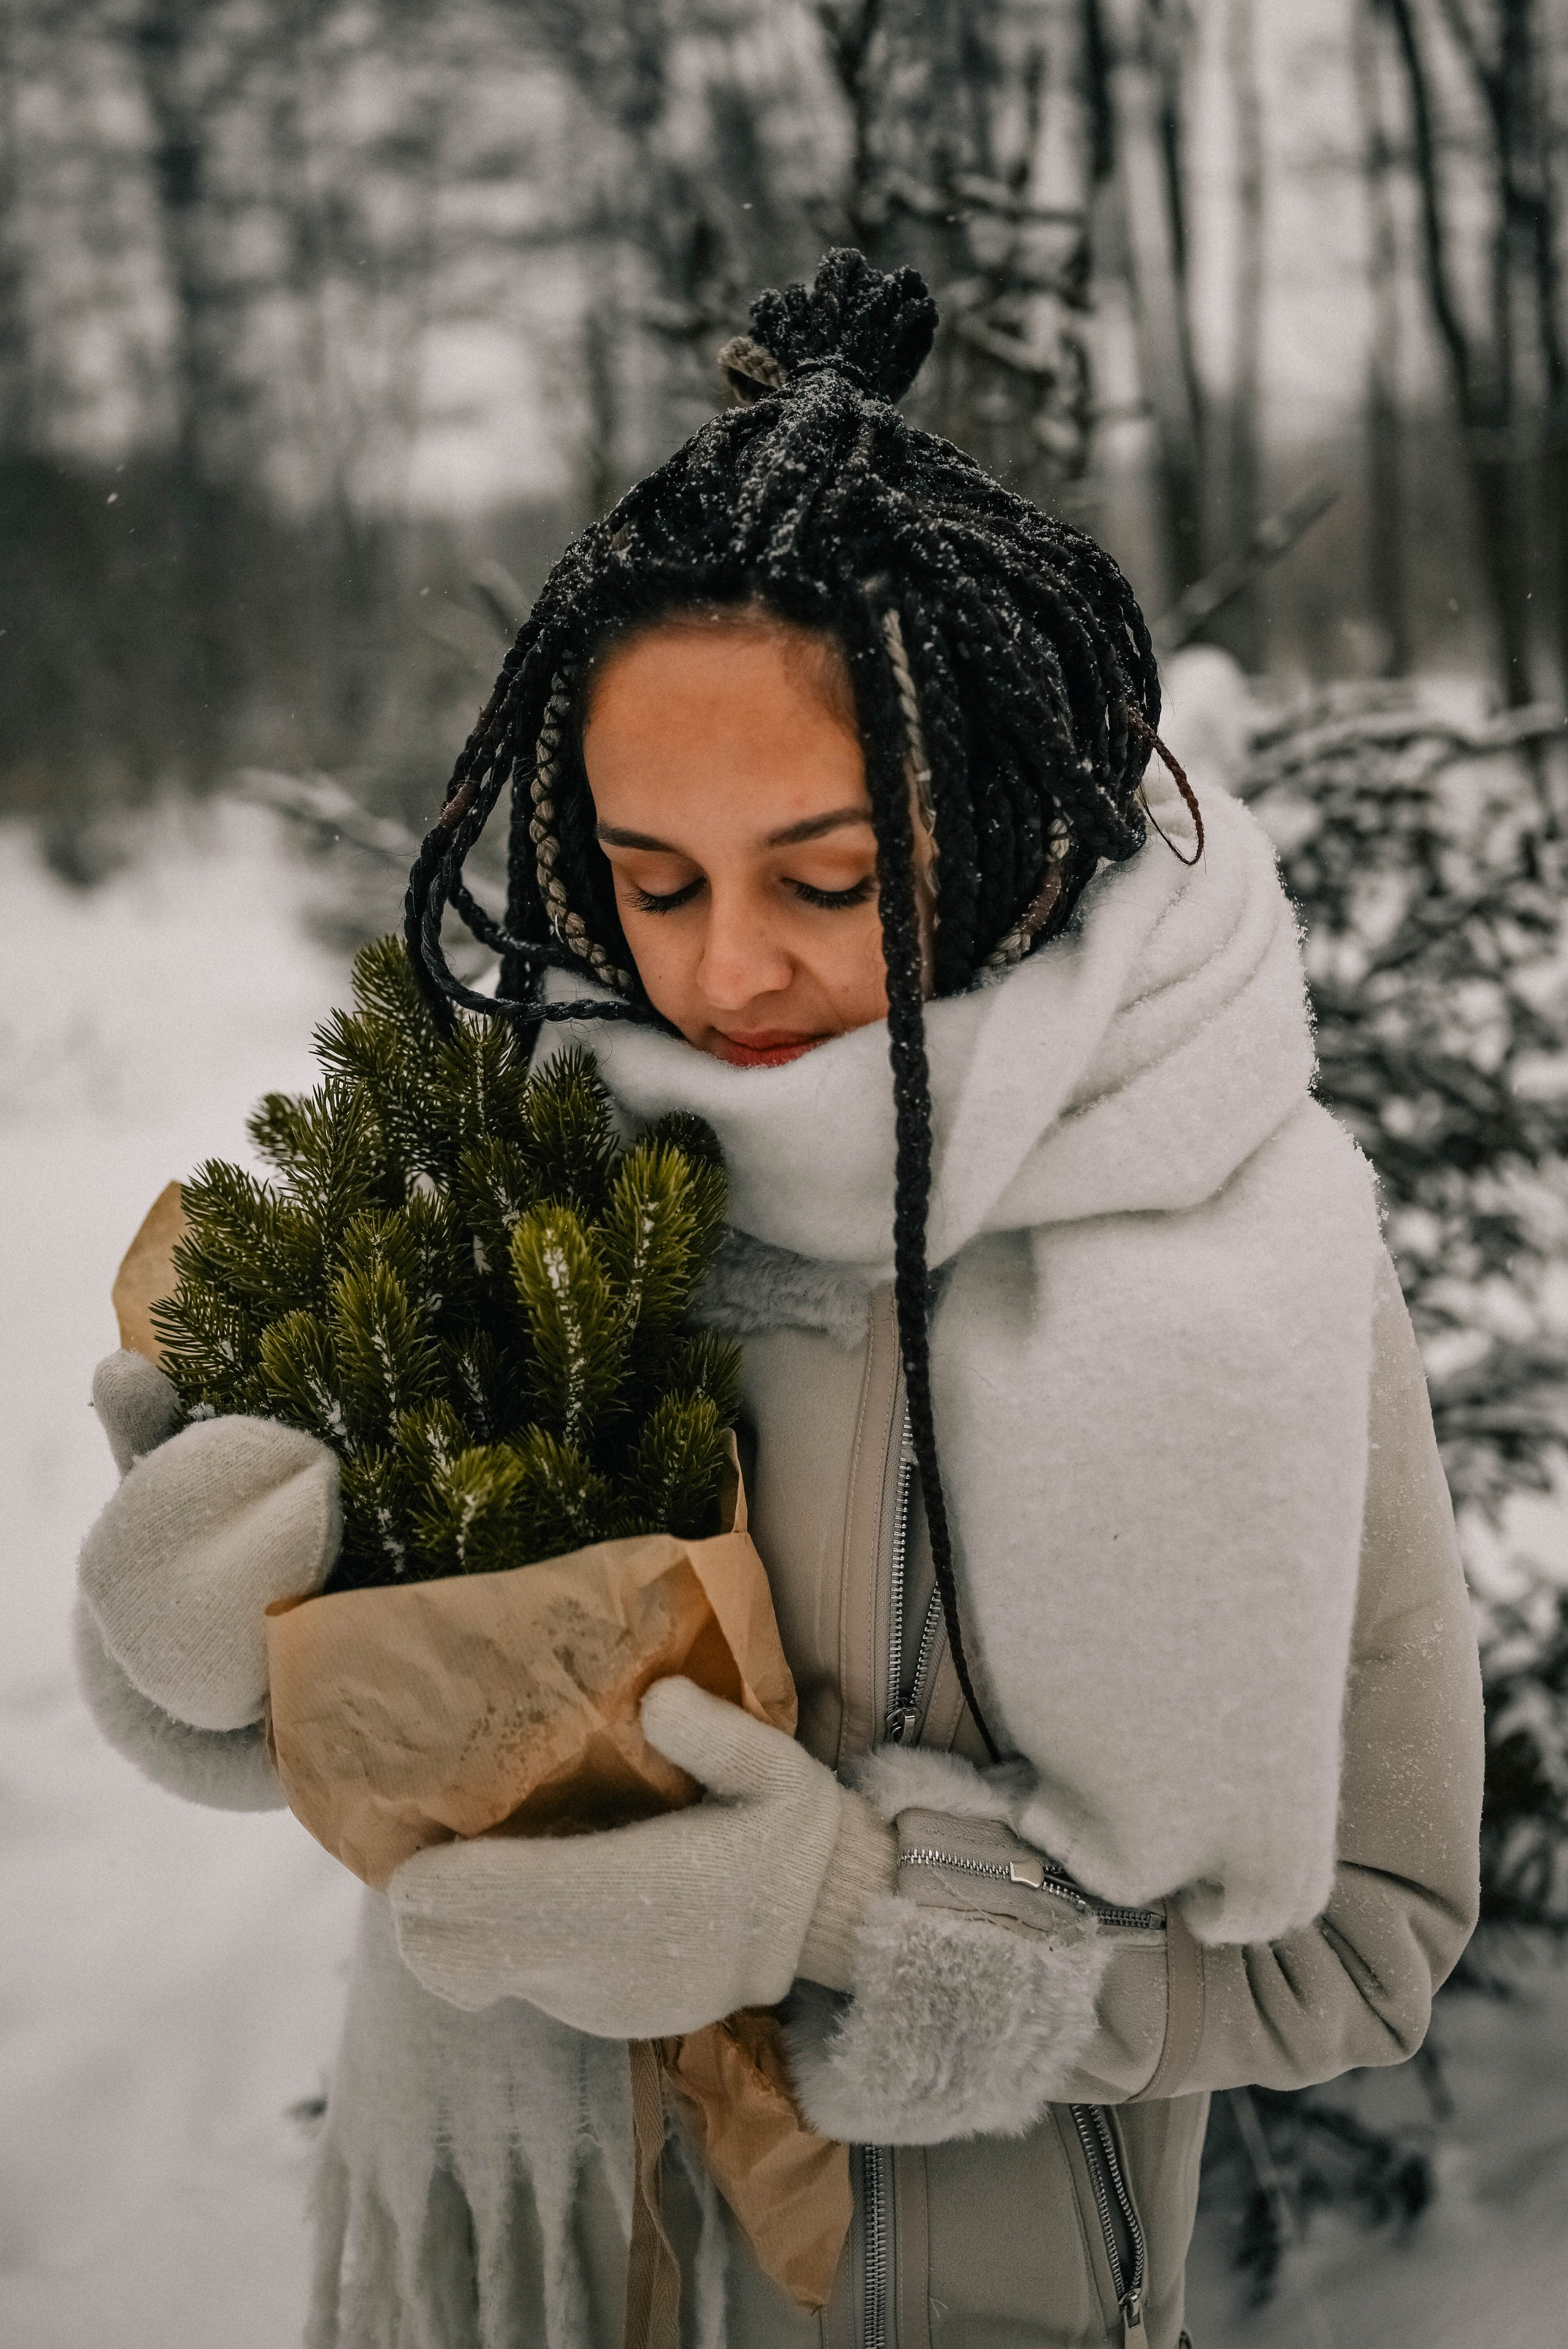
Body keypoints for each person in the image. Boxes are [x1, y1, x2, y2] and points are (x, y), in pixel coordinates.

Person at [77, 250, 1483, 2349]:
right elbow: (422, 1748)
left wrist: (843, 1912)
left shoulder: (1244, 1249)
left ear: (1003, 824)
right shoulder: (532, 1170)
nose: (724, 974)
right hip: (539, 2287)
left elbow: (1362, 1946)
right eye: (652, 881)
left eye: (826, 878)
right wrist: (204, 1665)